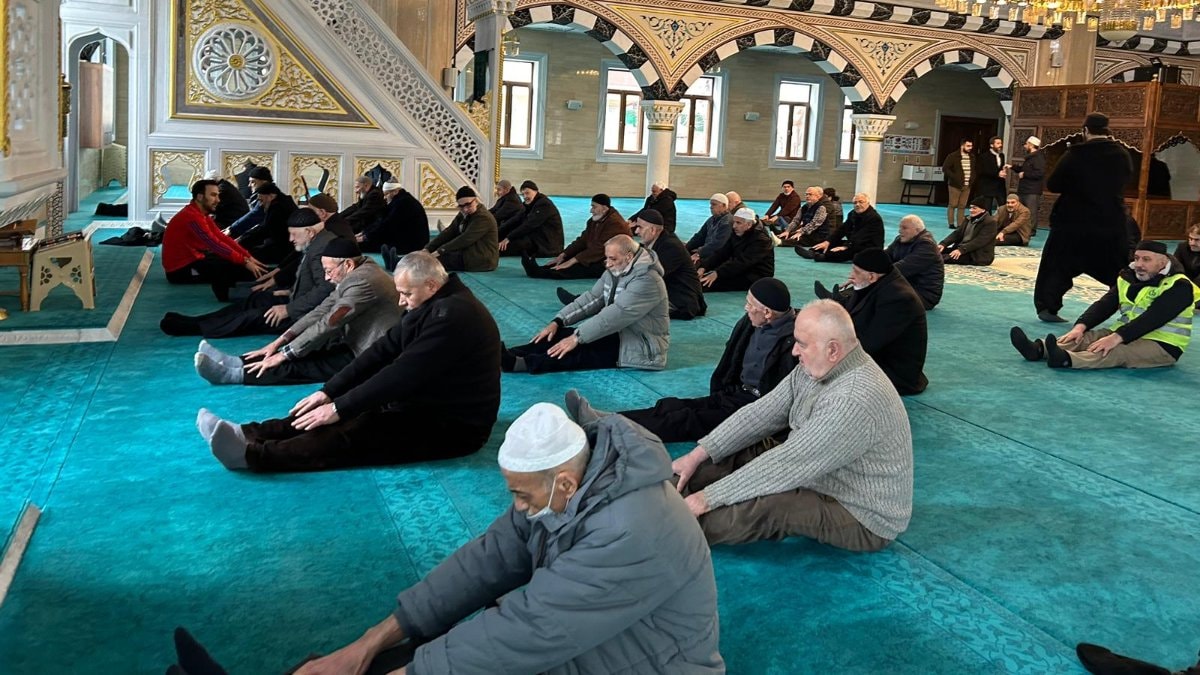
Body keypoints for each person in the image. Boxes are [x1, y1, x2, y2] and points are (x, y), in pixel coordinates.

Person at [176, 401, 724, 674]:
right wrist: (365, 645)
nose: (517, 508)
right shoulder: (571, 485)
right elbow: (484, 561)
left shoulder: (633, 529)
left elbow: (530, 628)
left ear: (563, 482)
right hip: (585, 641)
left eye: (522, 496)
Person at [197, 251, 500, 473]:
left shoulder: (454, 316)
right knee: (327, 411)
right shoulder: (433, 303)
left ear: (432, 285)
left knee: (355, 431)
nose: (400, 301)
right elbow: (383, 349)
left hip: (456, 427)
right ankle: (249, 433)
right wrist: (330, 392)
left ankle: (251, 457)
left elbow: (403, 373)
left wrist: (338, 408)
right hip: (425, 403)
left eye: (405, 293)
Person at [666, 299, 912, 550]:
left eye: (801, 344)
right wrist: (698, 454)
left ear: (833, 350)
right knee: (736, 451)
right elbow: (760, 415)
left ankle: (666, 528)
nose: (794, 351)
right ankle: (665, 491)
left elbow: (786, 465)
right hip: (821, 472)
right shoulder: (817, 366)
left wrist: (707, 499)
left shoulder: (852, 400)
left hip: (858, 511)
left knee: (771, 506)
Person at [195, 238, 404, 386]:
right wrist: (279, 342)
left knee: (302, 365)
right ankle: (236, 363)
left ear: (347, 264)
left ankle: (232, 375)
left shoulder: (362, 282)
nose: (327, 277)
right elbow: (321, 310)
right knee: (298, 350)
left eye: (328, 271)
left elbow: (329, 322)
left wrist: (283, 354)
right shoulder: (359, 268)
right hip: (353, 339)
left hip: (370, 352)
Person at [620, 278, 796, 442]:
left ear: (767, 312)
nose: (746, 308)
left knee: (684, 420)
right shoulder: (750, 322)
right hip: (735, 392)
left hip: (757, 407)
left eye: (750, 305)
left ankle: (618, 431)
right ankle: (612, 420)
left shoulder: (796, 342)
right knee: (673, 406)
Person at [1011, 240, 1200, 370]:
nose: (1139, 264)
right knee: (1089, 337)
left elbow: (1152, 319)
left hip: (1163, 345)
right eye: (1136, 258)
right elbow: (1105, 305)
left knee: (1114, 350)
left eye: (1146, 260)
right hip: (1126, 331)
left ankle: (1067, 360)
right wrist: (1080, 326)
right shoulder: (1128, 276)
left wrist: (1116, 338)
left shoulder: (1180, 286)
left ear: (1163, 262)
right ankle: (1039, 349)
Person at [159, 208, 337, 338]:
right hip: (298, 301)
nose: (291, 239)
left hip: (303, 315)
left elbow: (325, 290)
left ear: (309, 232)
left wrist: (288, 309)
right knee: (254, 300)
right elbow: (313, 282)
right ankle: (197, 321)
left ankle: (194, 328)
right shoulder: (319, 241)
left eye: (294, 234)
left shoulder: (323, 250)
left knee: (250, 318)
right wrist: (289, 291)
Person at [504, 235, 668, 374]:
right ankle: (511, 354)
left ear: (629, 257)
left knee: (577, 349)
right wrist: (558, 321)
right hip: (617, 332)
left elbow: (616, 315)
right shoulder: (617, 269)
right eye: (607, 258)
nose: (608, 264)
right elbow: (592, 298)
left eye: (612, 259)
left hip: (640, 346)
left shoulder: (647, 280)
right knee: (560, 335)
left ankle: (521, 364)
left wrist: (577, 337)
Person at [1034, 112, 1134, 322]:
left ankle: (1048, 307)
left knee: (1056, 265)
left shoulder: (1075, 154)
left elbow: (1054, 184)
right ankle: (1134, 305)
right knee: (1119, 267)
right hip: (1109, 221)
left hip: (1072, 222)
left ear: (1085, 130)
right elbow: (1125, 180)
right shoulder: (1121, 154)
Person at [817, 249, 928, 395]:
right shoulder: (878, 283)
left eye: (856, 272)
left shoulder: (899, 299)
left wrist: (825, 348)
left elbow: (869, 342)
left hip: (893, 372)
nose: (851, 275)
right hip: (877, 356)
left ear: (871, 276)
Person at [161, 180, 267, 300]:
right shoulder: (192, 217)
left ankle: (268, 276)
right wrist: (245, 262)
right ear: (200, 197)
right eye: (213, 195)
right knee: (232, 268)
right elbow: (215, 245)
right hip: (181, 271)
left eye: (217, 195)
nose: (218, 200)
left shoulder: (200, 213)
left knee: (235, 263)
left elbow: (221, 237)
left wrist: (247, 256)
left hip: (195, 259)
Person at [522, 194, 630, 280]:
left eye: (594, 207)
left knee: (575, 267)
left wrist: (572, 261)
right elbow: (582, 240)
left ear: (604, 208)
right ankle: (542, 269)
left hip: (611, 260)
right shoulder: (595, 220)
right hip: (598, 254)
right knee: (566, 259)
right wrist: (564, 254)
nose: (591, 210)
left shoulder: (615, 224)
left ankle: (539, 273)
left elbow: (599, 248)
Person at [631, 209, 705, 320]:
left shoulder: (670, 247)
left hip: (682, 302)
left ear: (652, 230)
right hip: (668, 294)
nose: (636, 231)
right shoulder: (658, 241)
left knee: (628, 309)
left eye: (640, 227)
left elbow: (649, 277)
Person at [698, 208, 775, 292]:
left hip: (756, 275)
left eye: (738, 223)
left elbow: (742, 262)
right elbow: (722, 253)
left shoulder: (761, 240)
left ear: (749, 224)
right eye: (734, 222)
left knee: (705, 283)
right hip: (740, 268)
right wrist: (704, 267)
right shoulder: (738, 231)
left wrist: (717, 273)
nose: (734, 226)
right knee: (697, 274)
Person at [425, 186, 498, 272]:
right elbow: (449, 232)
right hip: (467, 253)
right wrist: (427, 249)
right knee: (429, 259)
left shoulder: (483, 217)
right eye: (461, 206)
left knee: (431, 262)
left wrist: (440, 251)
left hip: (481, 259)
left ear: (476, 201)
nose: (465, 209)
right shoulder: (464, 213)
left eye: (468, 205)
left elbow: (465, 239)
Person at [796, 192, 884, 263]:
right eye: (855, 203)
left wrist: (846, 246)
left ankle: (823, 256)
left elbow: (861, 236)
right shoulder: (853, 214)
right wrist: (828, 241)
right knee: (832, 243)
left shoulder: (874, 218)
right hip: (855, 243)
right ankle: (812, 251)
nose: (857, 204)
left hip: (869, 247)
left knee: (844, 252)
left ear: (868, 203)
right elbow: (842, 230)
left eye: (861, 202)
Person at [885, 215, 944, 310]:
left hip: (923, 295)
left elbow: (903, 268)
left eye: (904, 228)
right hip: (905, 286)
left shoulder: (927, 245)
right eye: (900, 227)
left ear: (917, 230)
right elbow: (883, 257)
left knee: (875, 293)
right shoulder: (900, 239)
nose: (899, 231)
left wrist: (873, 274)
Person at [359, 181, 429, 256]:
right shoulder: (399, 200)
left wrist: (365, 237)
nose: (384, 198)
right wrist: (364, 233)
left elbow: (387, 225)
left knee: (360, 246)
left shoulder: (404, 203)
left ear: (395, 192)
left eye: (386, 194)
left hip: (411, 244)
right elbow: (382, 221)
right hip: (404, 239)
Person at [237, 182, 298, 265]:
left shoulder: (277, 208)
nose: (260, 204)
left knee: (247, 254)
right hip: (286, 246)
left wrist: (241, 241)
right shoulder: (284, 200)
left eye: (261, 200)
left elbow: (263, 230)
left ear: (271, 196)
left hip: (283, 249)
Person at [498, 180, 564, 258]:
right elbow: (515, 220)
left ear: (536, 191)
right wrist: (497, 232)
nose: (525, 197)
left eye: (527, 193)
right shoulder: (529, 204)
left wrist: (508, 238)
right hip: (534, 237)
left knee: (504, 248)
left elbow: (529, 225)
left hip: (547, 245)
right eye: (523, 194)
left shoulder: (544, 204)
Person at [939, 197, 998, 265]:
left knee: (945, 258)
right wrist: (943, 244)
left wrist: (961, 250)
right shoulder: (968, 219)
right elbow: (957, 233)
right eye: (970, 208)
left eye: (974, 208)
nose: (971, 210)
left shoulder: (990, 222)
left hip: (977, 255)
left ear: (983, 210)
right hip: (963, 249)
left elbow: (979, 241)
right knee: (935, 251)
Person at [226, 166, 274, 237]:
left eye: (253, 182)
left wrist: (232, 229)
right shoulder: (264, 194)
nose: (249, 185)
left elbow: (255, 214)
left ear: (264, 183)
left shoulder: (268, 196)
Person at [685, 193, 733, 266]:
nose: (711, 207)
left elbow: (718, 244)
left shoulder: (727, 222)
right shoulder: (711, 219)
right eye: (711, 204)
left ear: (724, 206)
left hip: (717, 256)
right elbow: (699, 237)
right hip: (707, 251)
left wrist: (700, 253)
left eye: (714, 204)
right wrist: (686, 248)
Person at [1013, 136, 1045, 236]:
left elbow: (1039, 173)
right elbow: (1024, 169)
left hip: (1032, 190)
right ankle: (1022, 230)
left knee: (1031, 212)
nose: (1025, 146)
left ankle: (1030, 231)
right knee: (1021, 211)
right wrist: (1012, 167)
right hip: (1025, 189)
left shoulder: (1038, 158)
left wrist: (1025, 174)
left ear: (1031, 145)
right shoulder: (1030, 157)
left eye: (1026, 144)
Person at [942, 138, 975, 229]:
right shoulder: (952, 156)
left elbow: (974, 169)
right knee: (952, 204)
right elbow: (945, 168)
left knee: (962, 205)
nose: (970, 148)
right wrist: (955, 177)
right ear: (962, 146)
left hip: (967, 184)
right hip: (955, 185)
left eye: (971, 146)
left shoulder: (972, 157)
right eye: (968, 146)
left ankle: (960, 224)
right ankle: (951, 223)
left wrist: (972, 179)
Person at [974, 135, 1007, 212]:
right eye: (998, 143)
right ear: (992, 145)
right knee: (987, 208)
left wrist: (1003, 171)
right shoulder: (984, 156)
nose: (1000, 145)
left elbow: (1000, 168)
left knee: (1003, 207)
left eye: (1001, 143)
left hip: (999, 186)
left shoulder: (1002, 155)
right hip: (988, 186)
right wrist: (997, 174)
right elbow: (982, 170)